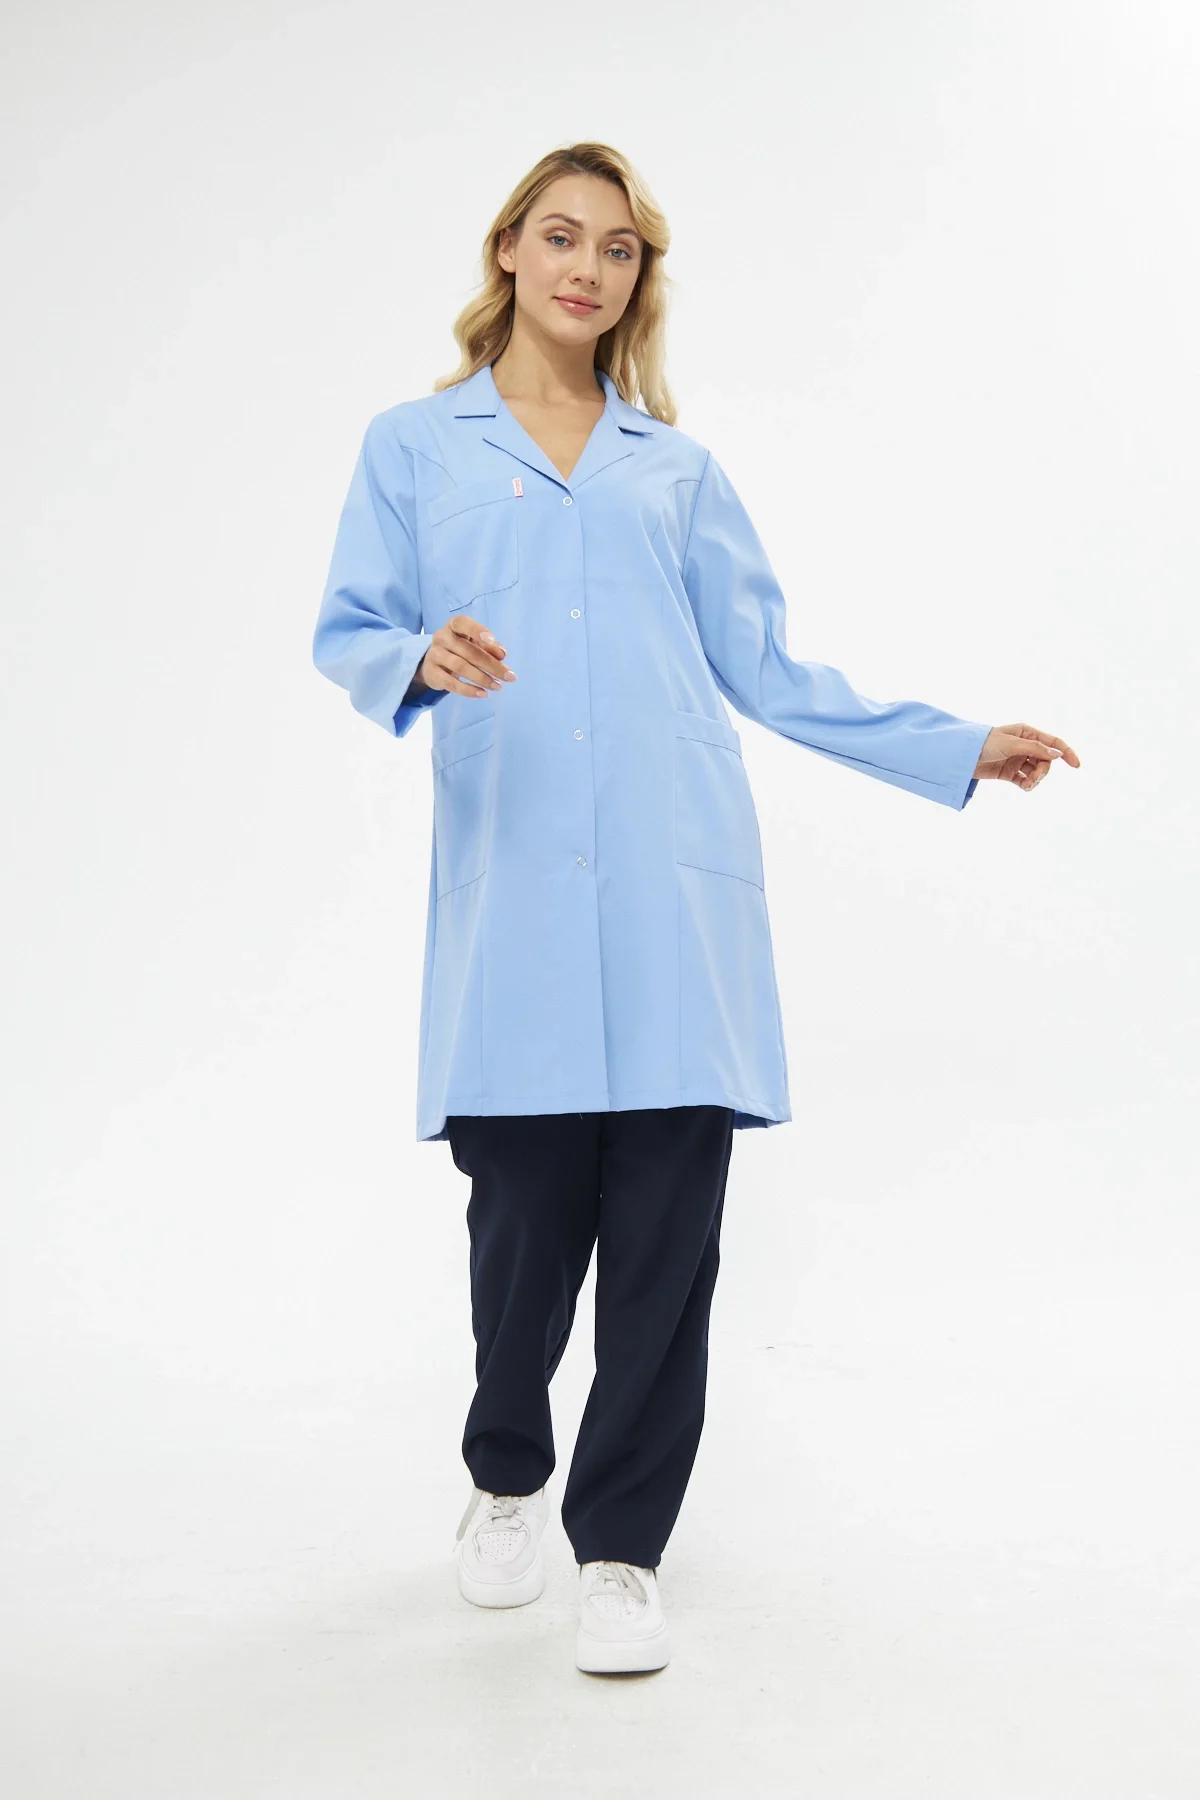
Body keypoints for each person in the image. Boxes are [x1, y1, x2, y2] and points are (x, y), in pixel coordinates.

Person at [312, 142, 1079, 1676]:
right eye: (561, 237)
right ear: (510, 251)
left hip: (675, 903)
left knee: (667, 1251)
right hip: (519, 900)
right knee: (521, 1239)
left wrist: (950, 745)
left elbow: (769, 671)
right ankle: (507, 1475)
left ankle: (621, 1554)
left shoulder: (677, 471)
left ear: (636, 280)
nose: (587, 269)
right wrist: (418, 659)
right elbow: (352, 627)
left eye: (618, 250)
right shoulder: (415, 447)